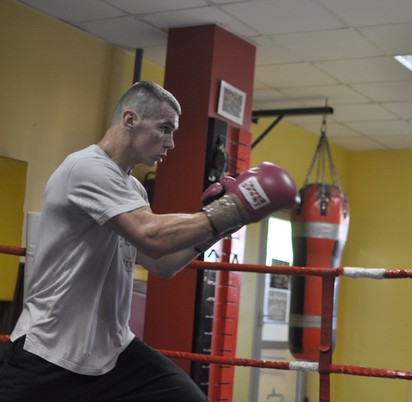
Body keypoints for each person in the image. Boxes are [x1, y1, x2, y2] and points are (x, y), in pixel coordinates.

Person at [0, 81, 298, 401]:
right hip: (50, 350)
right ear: (130, 119)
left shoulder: (134, 189)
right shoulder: (86, 167)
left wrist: (226, 224)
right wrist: (231, 209)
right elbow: (151, 235)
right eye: (164, 128)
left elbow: (160, 263)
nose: (171, 142)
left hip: (114, 354)